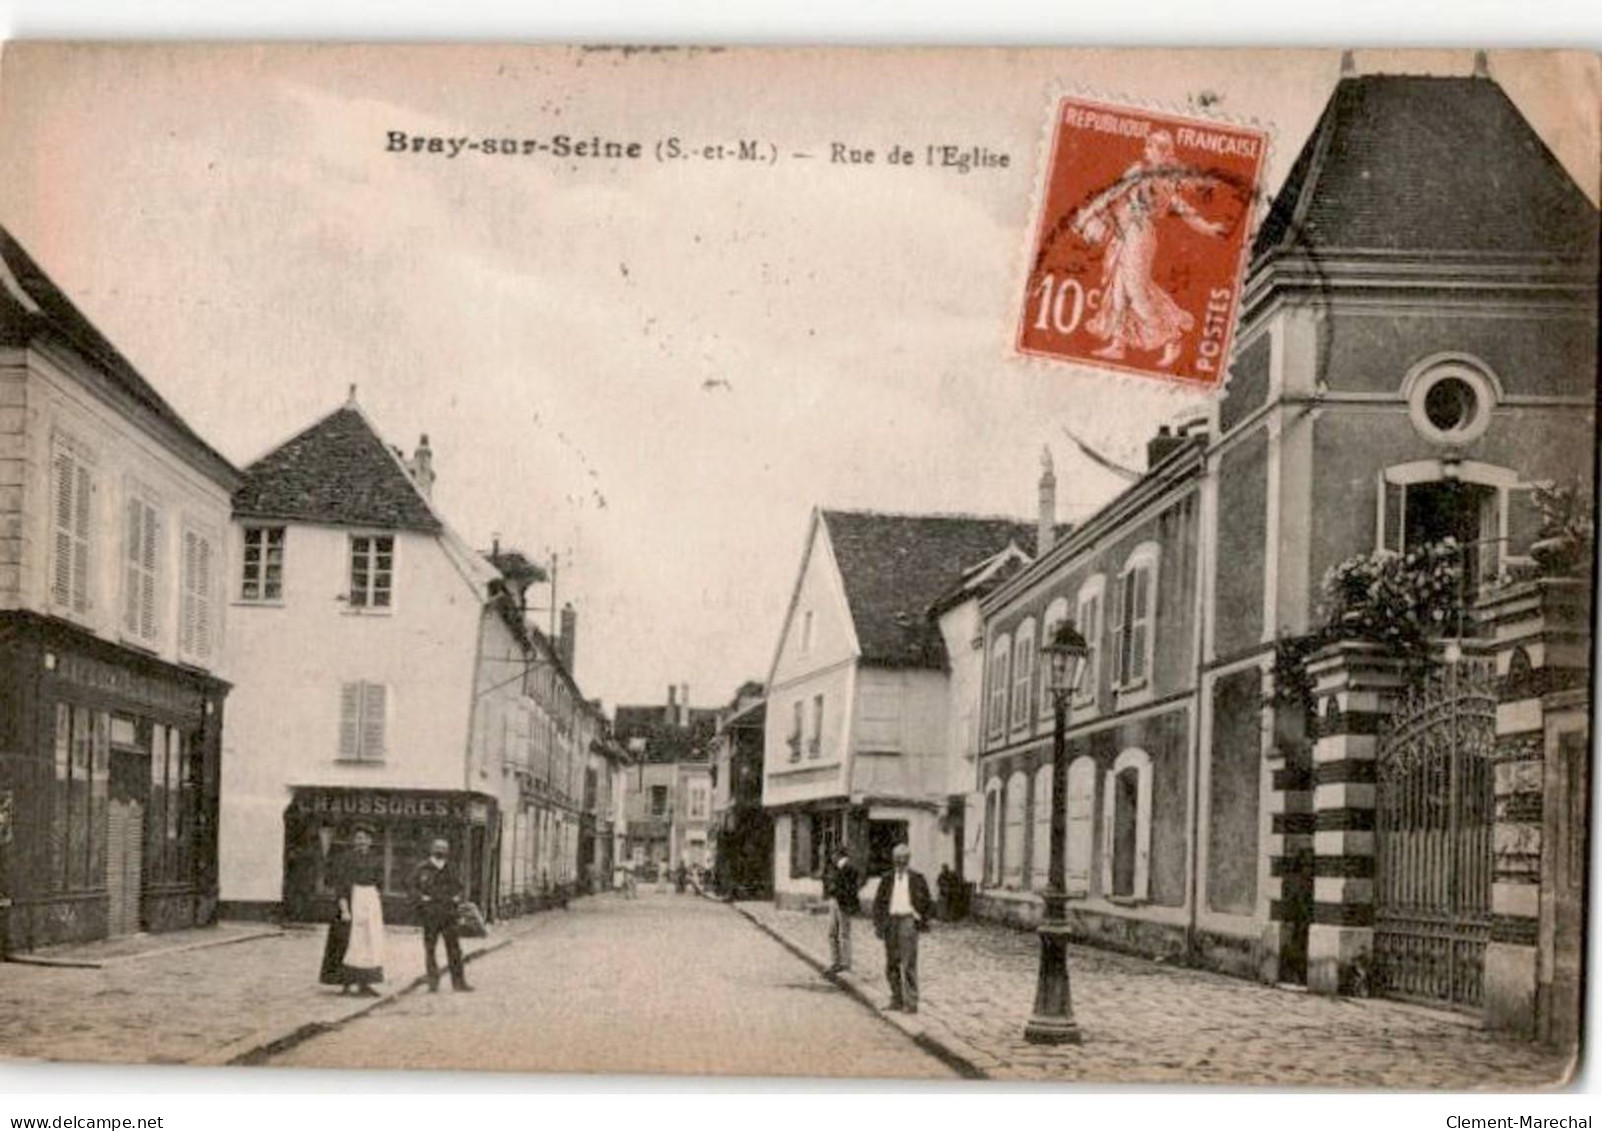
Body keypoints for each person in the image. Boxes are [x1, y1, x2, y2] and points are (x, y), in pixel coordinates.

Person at [1071, 129, 1229, 370]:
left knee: (1136, 290)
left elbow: (1184, 210)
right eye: (1146, 147)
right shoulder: (1141, 173)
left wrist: (1208, 228)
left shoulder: (1165, 182)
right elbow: (1112, 194)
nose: (1145, 151)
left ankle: (1172, 335)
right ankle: (1118, 343)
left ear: (1162, 153)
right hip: (1126, 234)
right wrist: (1089, 215)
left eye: (1150, 147)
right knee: (1118, 291)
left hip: (1139, 235)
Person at [319, 825, 385, 996]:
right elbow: (341, 885)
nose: (361, 841)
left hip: (369, 902)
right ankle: (346, 983)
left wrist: (374, 904)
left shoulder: (376, 859)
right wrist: (345, 909)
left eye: (365, 838)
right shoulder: (345, 859)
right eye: (358, 838)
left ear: (370, 841)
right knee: (349, 943)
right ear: (354, 841)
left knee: (369, 942)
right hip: (351, 900)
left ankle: (365, 982)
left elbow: (379, 883)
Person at [871, 843, 933, 1013]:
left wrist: (921, 920)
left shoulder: (917, 878)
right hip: (891, 921)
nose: (900, 862)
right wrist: (878, 925)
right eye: (897, 859)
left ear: (908, 859)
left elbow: (927, 902)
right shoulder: (887, 878)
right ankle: (896, 998)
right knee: (892, 963)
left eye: (903, 859)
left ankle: (911, 1002)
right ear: (893, 860)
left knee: (908, 963)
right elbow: (878, 903)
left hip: (908, 921)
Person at [409, 837, 474, 993]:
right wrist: (420, 898)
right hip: (430, 914)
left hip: (449, 914)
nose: (440, 851)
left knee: (454, 949)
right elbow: (411, 887)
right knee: (430, 949)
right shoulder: (422, 868)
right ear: (431, 848)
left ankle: (459, 983)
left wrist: (458, 897)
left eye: (444, 848)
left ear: (448, 851)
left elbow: (460, 886)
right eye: (437, 847)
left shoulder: (451, 868)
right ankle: (433, 982)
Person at [824, 848, 860, 975]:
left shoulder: (848, 869)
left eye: (834, 855)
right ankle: (837, 961)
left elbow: (851, 889)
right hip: (835, 901)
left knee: (843, 933)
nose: (832, 857)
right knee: (833, 932)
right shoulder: (837, 868)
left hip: (843, 903)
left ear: (839, 855)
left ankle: (844, 963)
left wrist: (835, 890)